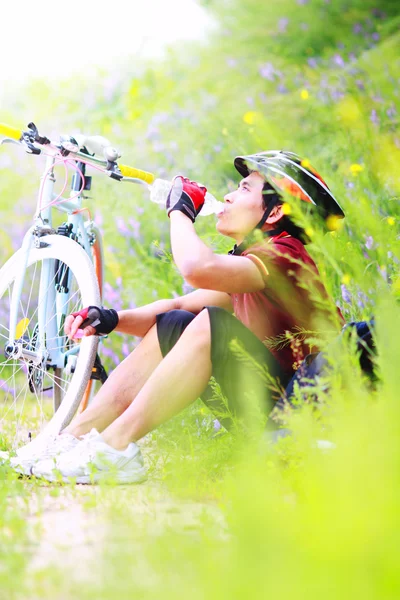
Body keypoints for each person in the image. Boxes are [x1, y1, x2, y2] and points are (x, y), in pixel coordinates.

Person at [13, 150, 345, 483]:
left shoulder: (286, 255)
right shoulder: (252, 267)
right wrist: (110, 318)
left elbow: (197, 269)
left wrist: (181, 211)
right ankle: (72, 439)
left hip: (305, 422)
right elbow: (178, 309)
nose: (228, 195)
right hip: (271, 410)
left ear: (275, 212)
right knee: (177, 324)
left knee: (212, 323)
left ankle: (115, 448)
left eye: (244, 189)